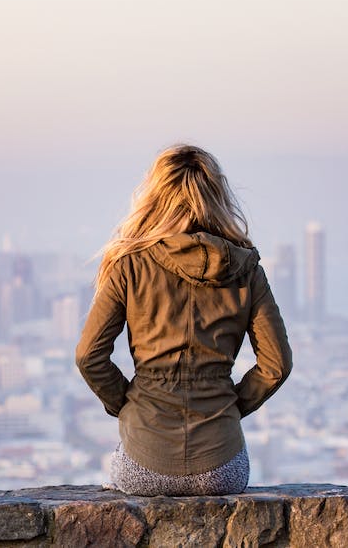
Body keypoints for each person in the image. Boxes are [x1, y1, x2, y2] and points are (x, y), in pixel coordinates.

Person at [75, 144, 292, 496]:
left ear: (154, 197)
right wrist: (230, 406)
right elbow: (276, 365)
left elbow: (88, 356)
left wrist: (127, 404)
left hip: (143, 461)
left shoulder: (129, 265)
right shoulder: (246, 269)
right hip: (222, 466)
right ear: (217, 196)